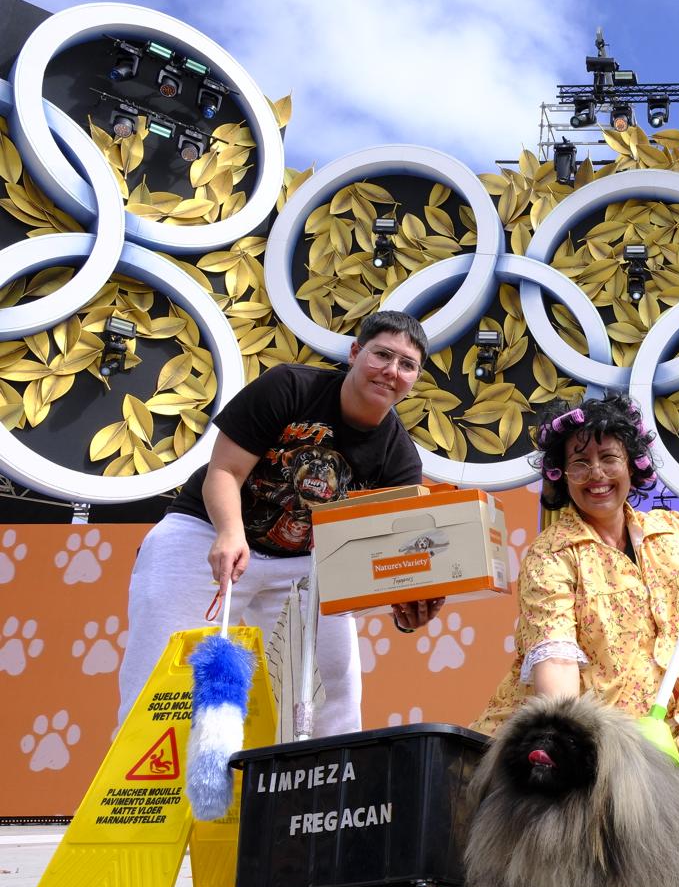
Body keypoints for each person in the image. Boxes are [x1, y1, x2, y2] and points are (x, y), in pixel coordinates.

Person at [473, 392, 679, 880]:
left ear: (633, 464)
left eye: (609, 458)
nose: (597, 475)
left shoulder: (671, 530)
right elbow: (556, 659)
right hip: (604, 716)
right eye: (579, 463)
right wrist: (571, 738)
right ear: (560, 475)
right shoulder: (551, 554)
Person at [119, 311, 443, 736]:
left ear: (415, 378)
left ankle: (322, 798)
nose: (391, 371)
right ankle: (141, 785)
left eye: (407, 365)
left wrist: (406, 609)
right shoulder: (290, 386)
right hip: (206, 529)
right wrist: (230, 532)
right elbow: (225, 472)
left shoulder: (400, 459)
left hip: (306, 566)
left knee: (333, 695)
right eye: (382, 355)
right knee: (162, 675)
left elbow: (384, 555)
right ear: (355, 352)